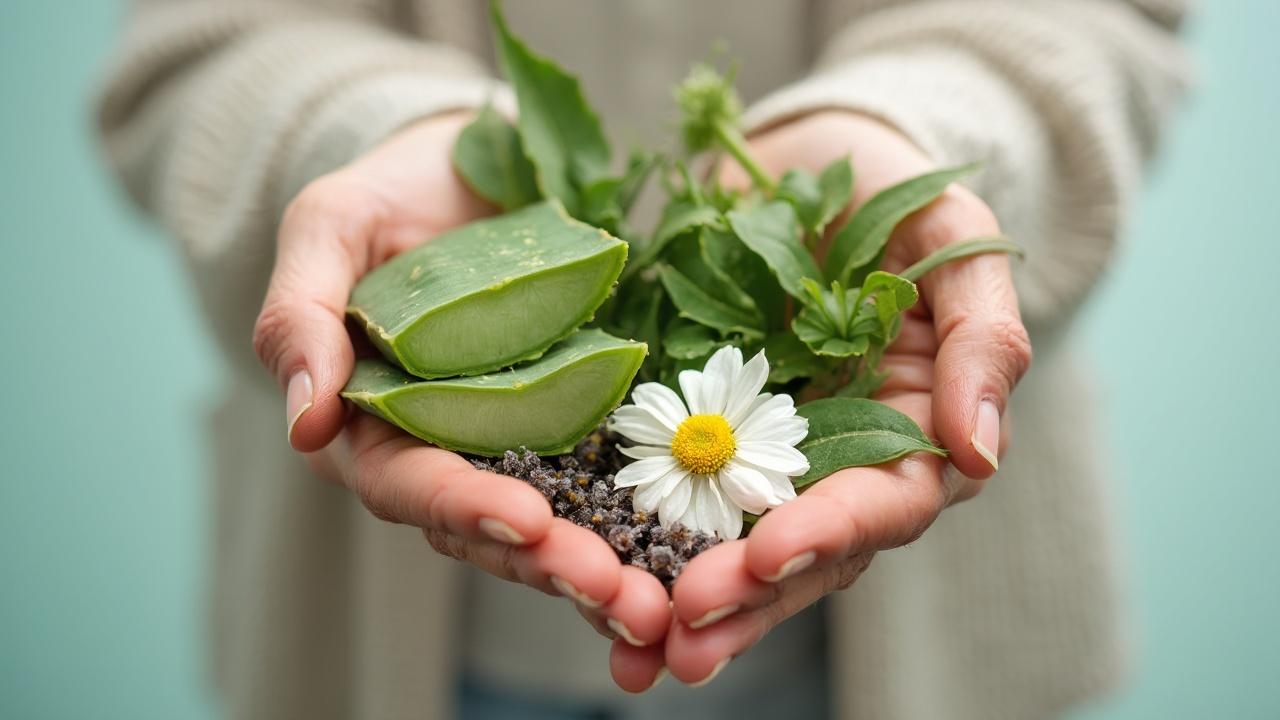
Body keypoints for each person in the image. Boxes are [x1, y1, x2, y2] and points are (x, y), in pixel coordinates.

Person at [97, 2, 1188, 718]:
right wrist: (356, 134)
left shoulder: (720, 418)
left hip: (934, 653)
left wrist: (900, 125)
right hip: (381, 652)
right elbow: (204, 42)